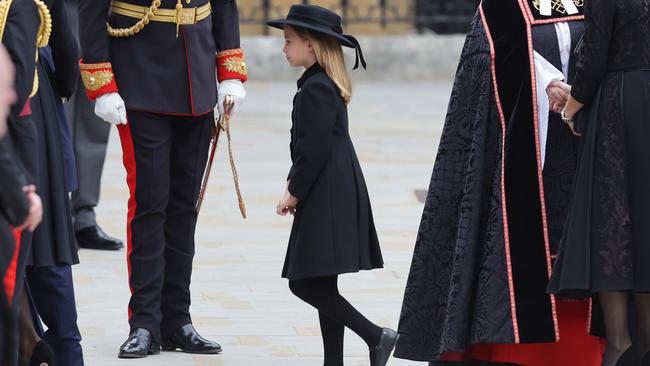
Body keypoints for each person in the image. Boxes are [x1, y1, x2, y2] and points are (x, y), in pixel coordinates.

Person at [394, 0, 604, 365]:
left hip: (585, 147)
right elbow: (485, 62)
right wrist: (547, 83)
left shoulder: (591, 3)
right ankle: (511, 348)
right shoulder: (501, 8)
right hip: (524, 152)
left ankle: (584, 347)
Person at [77, 0, 248, 358]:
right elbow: (91, 8)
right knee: (150, 204)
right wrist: (101, 82)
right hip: (139, 76)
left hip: (196, 76)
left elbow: (225, 5)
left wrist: (229, 71)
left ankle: (177, 320)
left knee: (185, 207)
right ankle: (144, 322)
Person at [268, 5, 399, 366]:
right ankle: (333, 362)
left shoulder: (317, 89)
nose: (284, 48)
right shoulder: (320, 83)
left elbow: (313, 152)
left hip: (326, 193)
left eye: (289, 41)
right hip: (331, 190)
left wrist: (293, 192)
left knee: (304, 283)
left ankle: (377, 336)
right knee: (323, 283)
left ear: (311, 45)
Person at [547, 0, 650, 365]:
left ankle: (621, 343)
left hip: (623, 105)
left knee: (613, 223)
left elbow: (593, 54)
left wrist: (571, 109)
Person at [64, 0, 123, 251]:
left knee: (94, 119)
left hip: (100, 11)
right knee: (58, 115)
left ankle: (84, 215)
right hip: (50, 9)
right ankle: (56, 214)